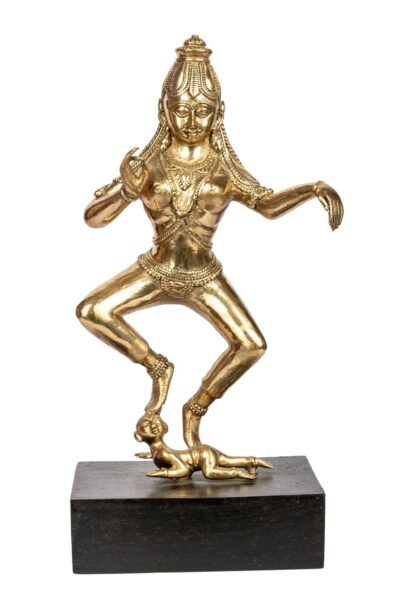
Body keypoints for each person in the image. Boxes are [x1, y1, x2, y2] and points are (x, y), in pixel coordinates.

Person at [76, 36, 343, 472]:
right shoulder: (148, 164)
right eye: (181, 109)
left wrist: (311, 190)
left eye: (202, 111)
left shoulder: (224, 167)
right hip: (156, 269)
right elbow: (93, 218)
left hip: (204, 277)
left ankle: (195, 408)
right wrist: (126, 190)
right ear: (163, 109)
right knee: (91, 310)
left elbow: (266, 205)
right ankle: (157, 367)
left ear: (219, 113)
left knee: (251, 345)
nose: (191, 120)